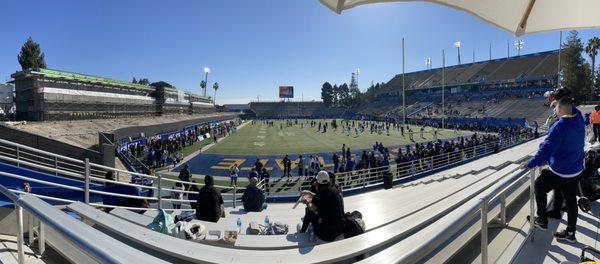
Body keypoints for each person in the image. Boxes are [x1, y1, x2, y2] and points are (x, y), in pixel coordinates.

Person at [524, 88, 584, 243]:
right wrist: (561, 98)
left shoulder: (559, 126)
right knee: (570, 201)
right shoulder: (578, 117)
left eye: (554, 107)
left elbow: (546, 151)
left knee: (539, 186)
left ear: (559, 105)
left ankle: (542, 220)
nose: (554, 110)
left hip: (562, 171)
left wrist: (530, 164)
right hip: (576, 169)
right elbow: (569, 105)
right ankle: (570, 232)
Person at [299, 171, 345, 242]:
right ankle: (304, 229)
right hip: (340, 229)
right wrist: (310, 193)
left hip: (327, 235)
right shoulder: (334, 190)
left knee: (308, 210)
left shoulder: (320, 195)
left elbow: (313, 207)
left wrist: (306, 202)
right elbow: (321, 198)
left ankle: (304, 230)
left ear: (317, 183)